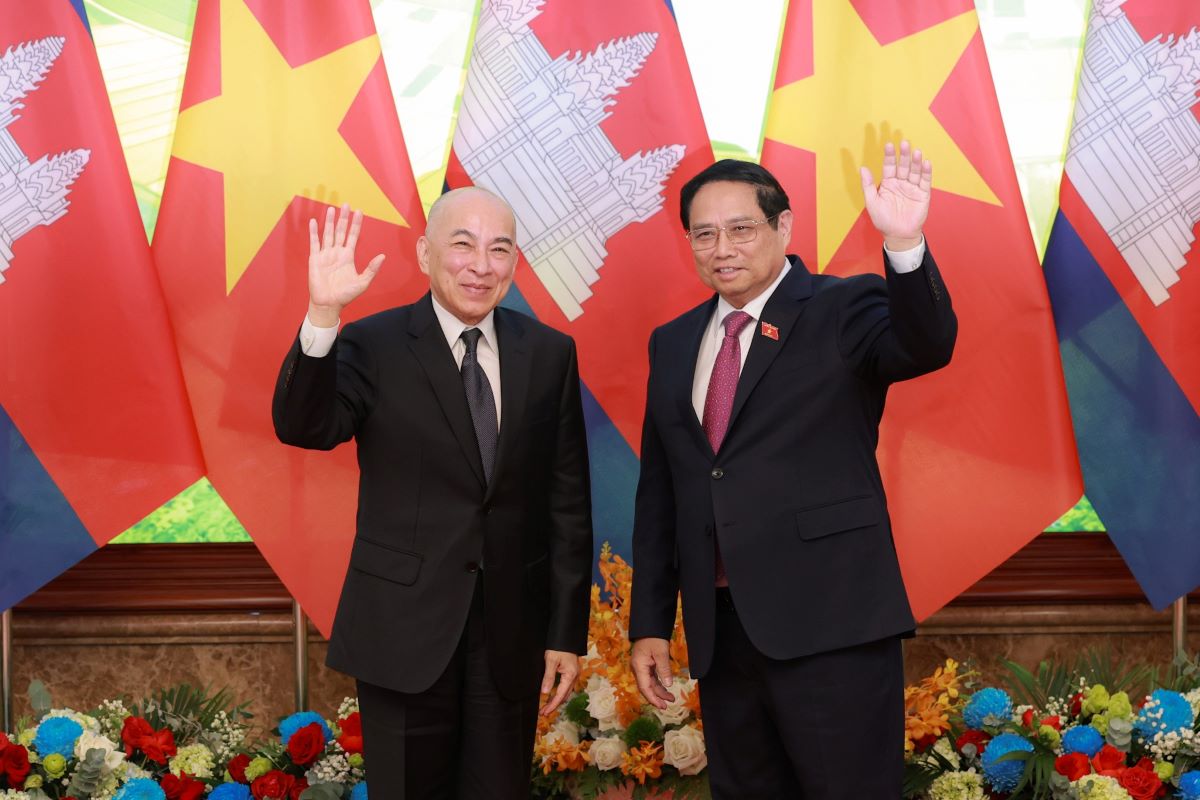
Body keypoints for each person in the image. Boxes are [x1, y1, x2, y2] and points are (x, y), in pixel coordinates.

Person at [628, 141, 956, 799]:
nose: (722, 247)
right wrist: (650, 624)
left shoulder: (842, 308)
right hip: (724, 637)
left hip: (830, 625)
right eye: (704, 233)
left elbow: (927, 345)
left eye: (741, 228)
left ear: (783, 227)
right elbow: (664, 492)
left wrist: (905, 244)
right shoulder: (673, 342)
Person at [272, 187, 593, 799]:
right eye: (462, 244)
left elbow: (567, 503)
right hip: (403, 630)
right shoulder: (374, 343)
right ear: (424, 253)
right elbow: (304, 427)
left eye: (499, 249)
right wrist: (321, 316)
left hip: (512, 634)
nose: (481, 264)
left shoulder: (549, 353)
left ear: (515, 262)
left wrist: (563, 632)